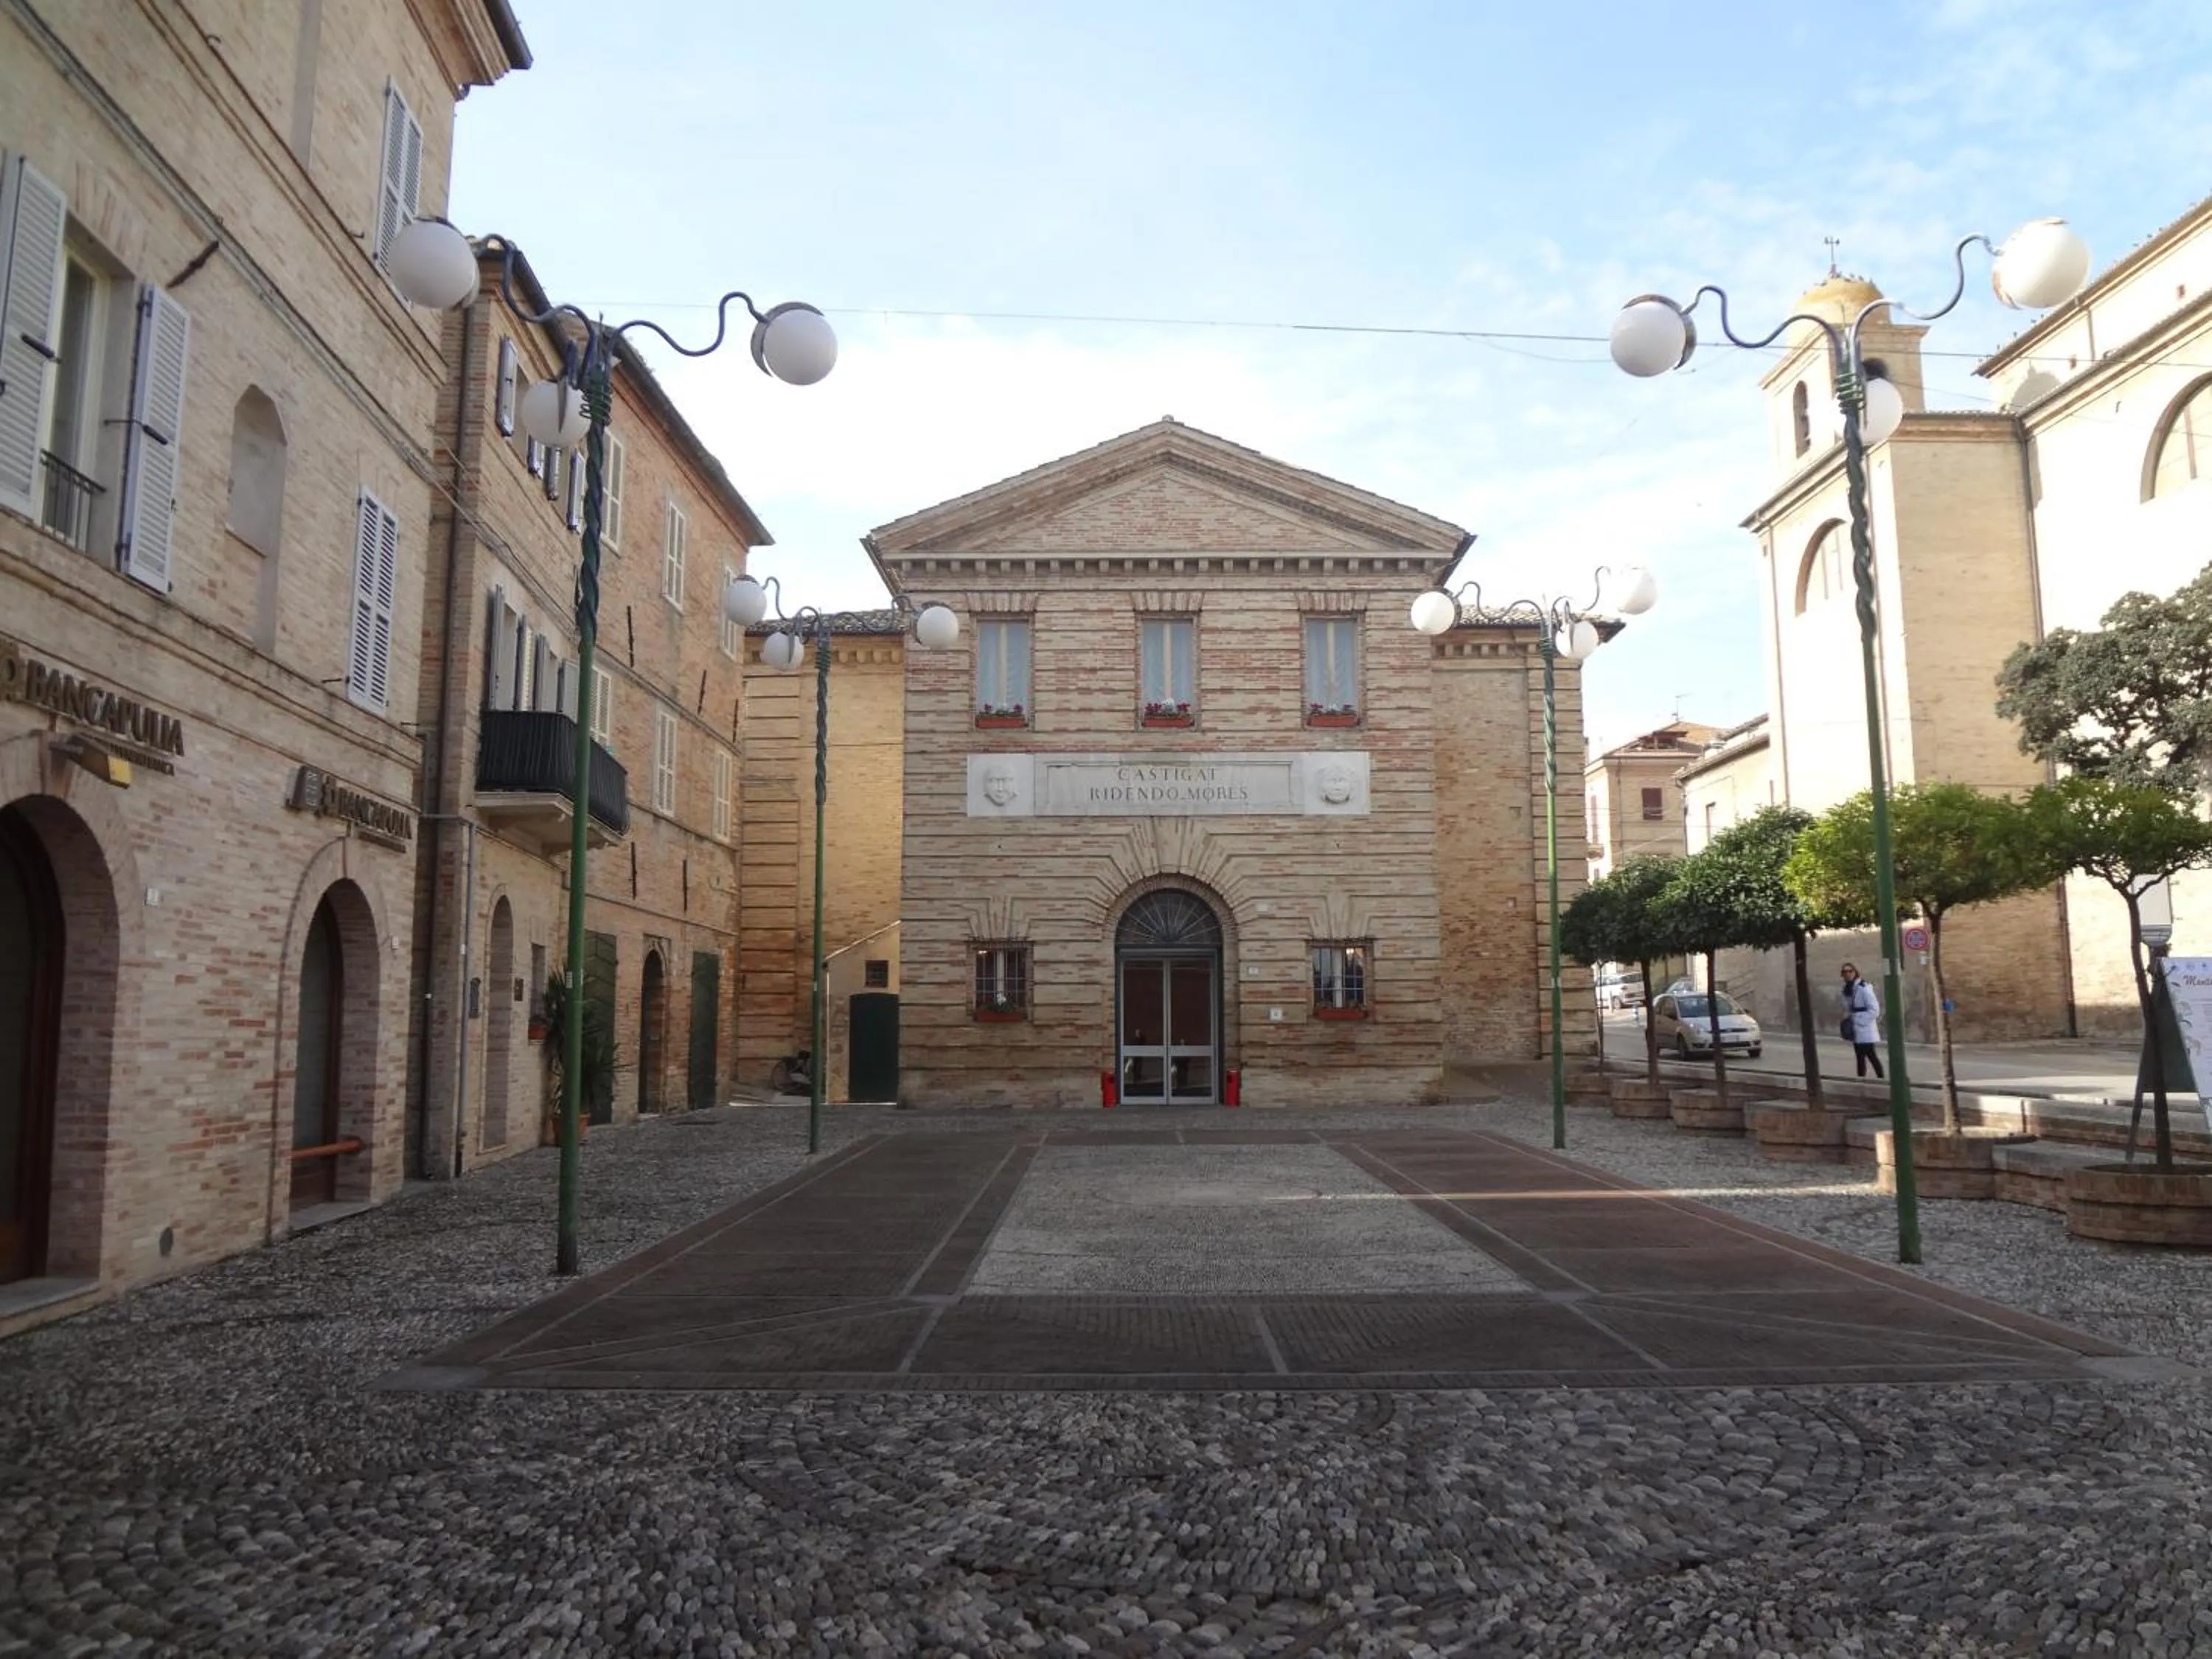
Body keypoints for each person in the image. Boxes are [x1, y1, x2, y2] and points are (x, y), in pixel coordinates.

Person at [1840, 963, 1883, 1077]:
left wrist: (1859, 1020)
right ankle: (1861, 1080)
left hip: (1866, 1029)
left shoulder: (1864, 988)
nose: (1848, 974)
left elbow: (1874, 1010)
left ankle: (1881, 1078)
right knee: (1860, 1057)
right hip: (1856, 1029)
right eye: (1845, 972)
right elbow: (1848, 1008)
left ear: (1855, 972)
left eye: (1850, 971)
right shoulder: (1847, 989)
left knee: (1871, 1055)